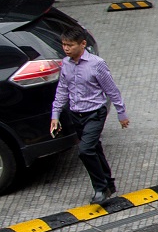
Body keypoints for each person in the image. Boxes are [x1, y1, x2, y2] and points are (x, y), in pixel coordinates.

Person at [48, 30, 128, 205]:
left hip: (94, 113)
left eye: (70, 45)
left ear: (82, 44)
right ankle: (109, 183)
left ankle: (100, 188)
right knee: (94, 148)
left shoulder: (96, 64)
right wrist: (55, 115)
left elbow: (111, 90)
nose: (66, 49)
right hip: (76, 114)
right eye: (64, 45)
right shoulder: (66, 64)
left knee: (85, 150)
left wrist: (121, 113)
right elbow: (62, 90)